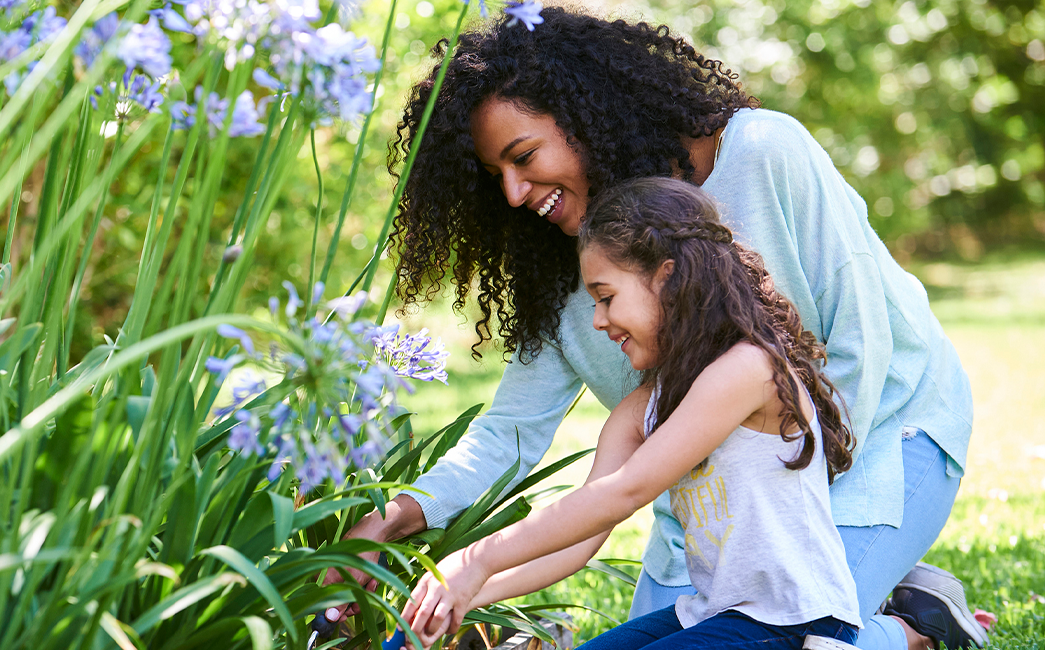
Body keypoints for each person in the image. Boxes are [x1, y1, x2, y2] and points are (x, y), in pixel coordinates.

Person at [325, 7, 987, 650]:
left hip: (881, 438)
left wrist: (799, 518)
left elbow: (862, 344)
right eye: (495, 175)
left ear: (585, 113)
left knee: (810, 628)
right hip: (712, 502)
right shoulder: (573, 272)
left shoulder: (762, 152)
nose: (514, 193)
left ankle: (911, 629)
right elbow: (511, 436)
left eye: (524, 157)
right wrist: (388, 521)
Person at [403, 176, 863, 649]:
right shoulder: (645, 405)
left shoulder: (748, 369)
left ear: (667, 277)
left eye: (606, 297)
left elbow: (625, 491)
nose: (598, 320)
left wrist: (477, 559)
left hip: (795, 623)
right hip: (716, 614)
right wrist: (465, 593)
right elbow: (579, 542)